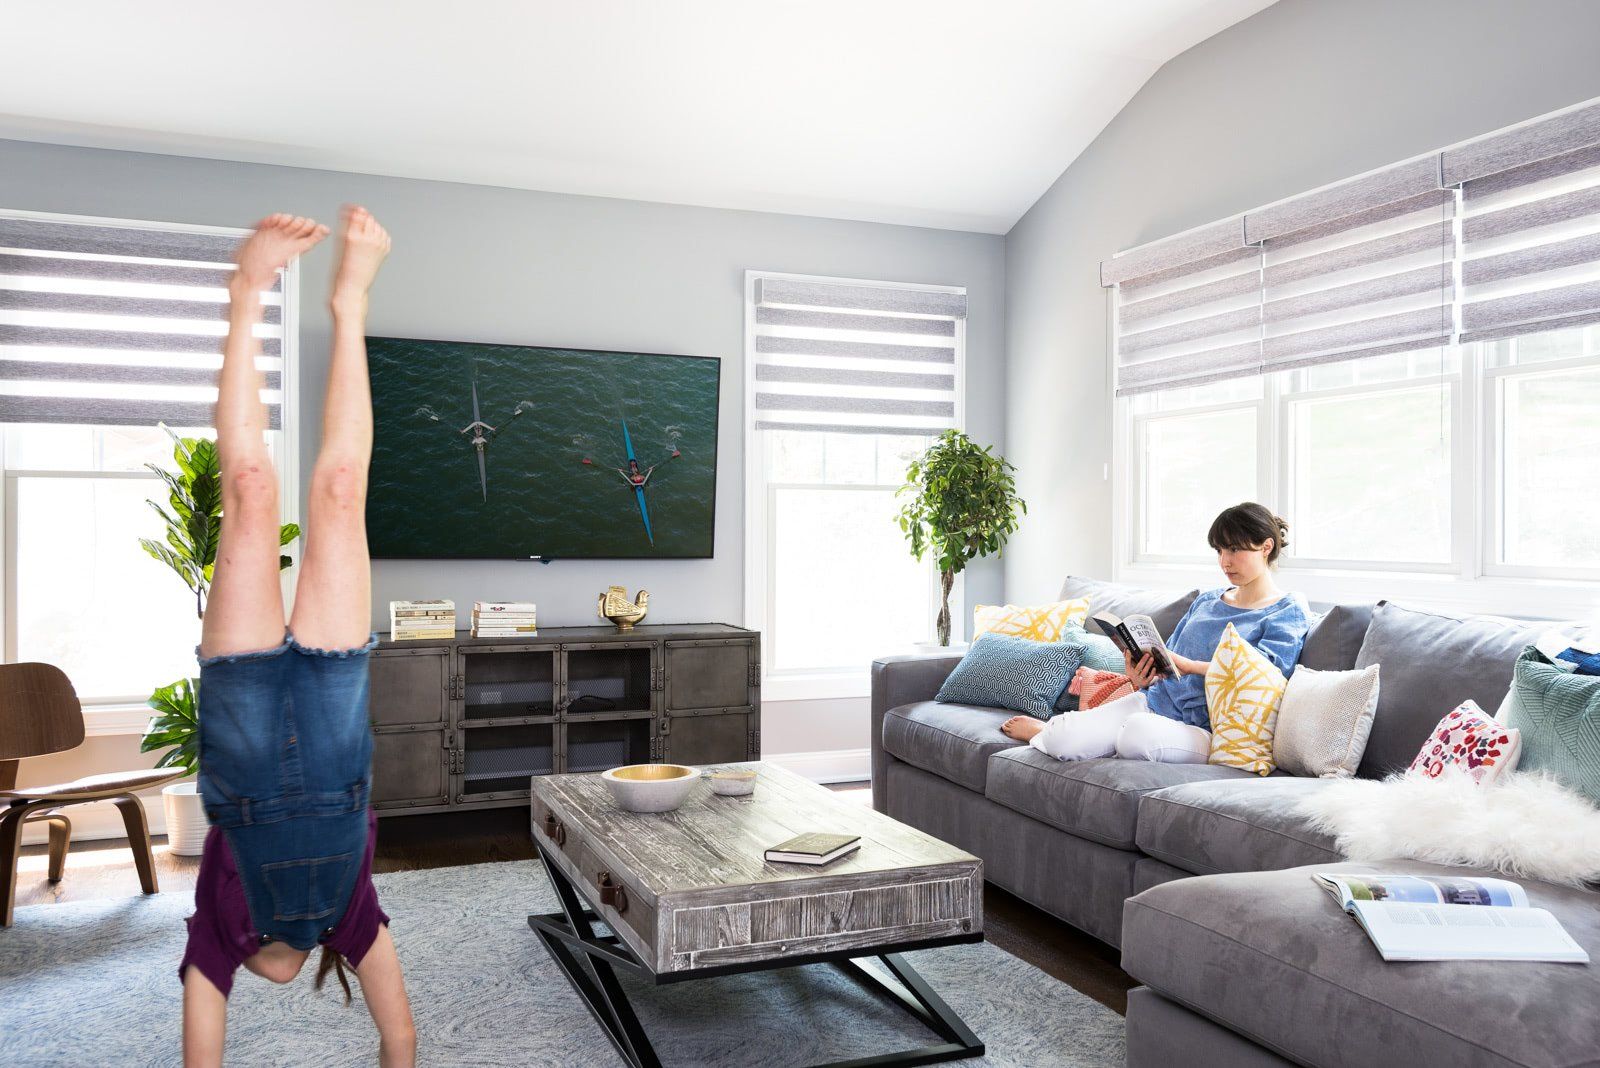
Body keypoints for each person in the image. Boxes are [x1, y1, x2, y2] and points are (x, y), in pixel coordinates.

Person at [179, 209, 415, 1068]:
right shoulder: (350, 924)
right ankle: (350, 302)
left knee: (247, 487)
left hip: (240, 702)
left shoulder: (215, 939)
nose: (266, 964)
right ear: (316, 958)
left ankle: (248, 294)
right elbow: (400, 1035)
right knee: (341, 491)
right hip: (332, 703)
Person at [1000, 502, 1311, 764]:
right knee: (1063, 740)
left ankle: (1094, 737)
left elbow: (1267, 675)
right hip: (1154, 703)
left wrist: (1190, 666)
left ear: (1266, 546)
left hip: (1204, 728)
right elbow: (1169, 661)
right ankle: (1051, 731)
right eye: (1219, 550)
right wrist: (1141, 675)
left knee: (1136, 733)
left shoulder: (1287, 609)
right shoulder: (1207, 601)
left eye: (1233, 549)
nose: (1224, 561)